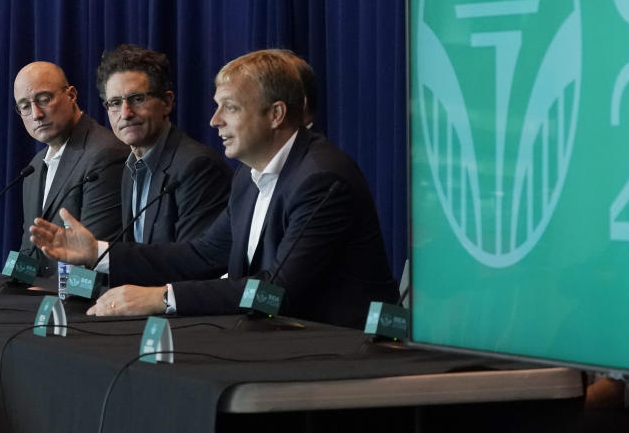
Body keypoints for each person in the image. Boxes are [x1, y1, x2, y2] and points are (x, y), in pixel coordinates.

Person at [31, 49, 399, 328]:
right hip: (284, 340)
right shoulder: (247, 176)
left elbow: (276, 291)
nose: (214, 120)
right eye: (216, 107)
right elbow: (204, 254)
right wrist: (98, 251)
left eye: (230, 108)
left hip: (345, 351)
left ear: (275, 115)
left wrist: (162, 297)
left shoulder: (321, 179)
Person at [96, 44, 232, 244]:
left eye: (137, 99)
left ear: (167, 102)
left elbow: (194, 262)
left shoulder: (198, 167)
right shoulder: (131, 167)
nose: (125, 113)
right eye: (115, 103)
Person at [14, 61, 129, 276]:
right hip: (39, 298)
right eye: (25, 106)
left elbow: (91, 259)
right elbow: (29, 250)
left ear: (72, 95)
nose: (36, 114)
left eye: (44, 99)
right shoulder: (35, 166)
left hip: (83, 300)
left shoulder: (104, 154)